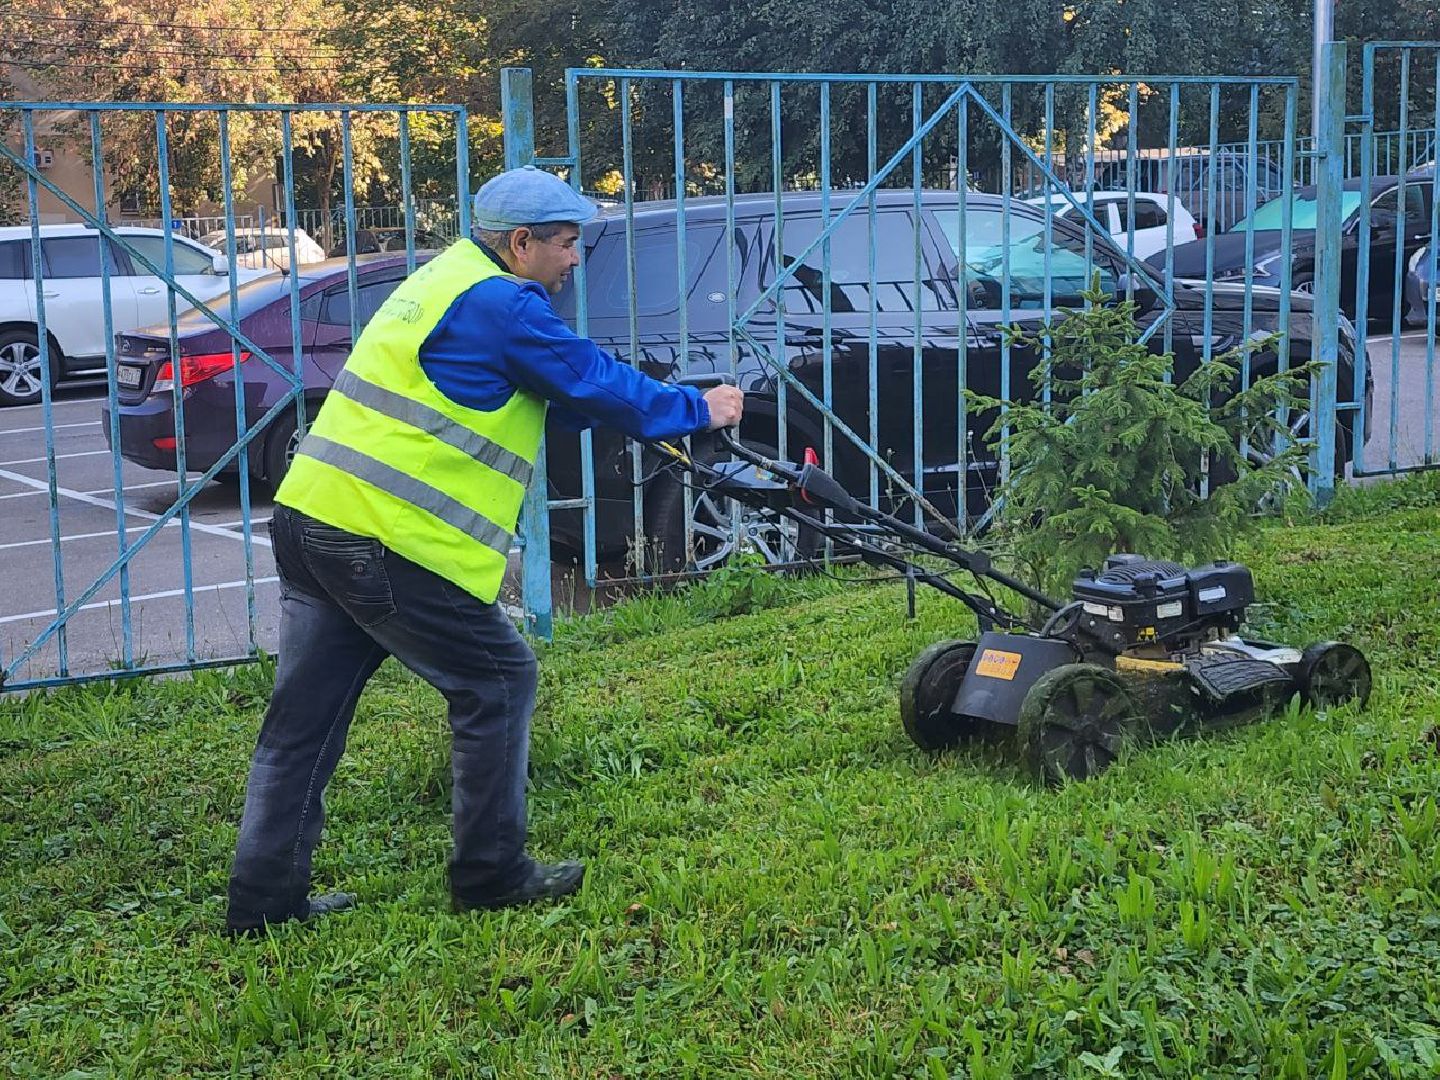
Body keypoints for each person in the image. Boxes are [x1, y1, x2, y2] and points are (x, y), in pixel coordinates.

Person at [225, 166, 744, 934]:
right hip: (383, 540)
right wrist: (698, 407)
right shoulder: (504, 302)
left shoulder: (442, 280)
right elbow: (593, 381)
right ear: (521, 242)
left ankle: (262, 905)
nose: (575, 259)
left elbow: (523, 394)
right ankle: (491, 874)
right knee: (500, 679)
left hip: (310, 519)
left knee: (302, 724)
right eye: (566, 244)